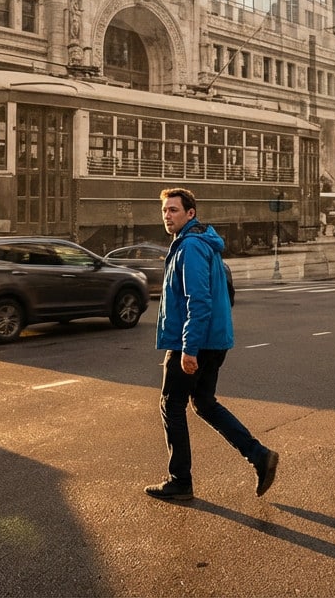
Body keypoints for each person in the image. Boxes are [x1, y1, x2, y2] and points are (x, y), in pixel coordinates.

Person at [144, 187, 279, 501]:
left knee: (171, 405)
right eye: (164, 210)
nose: (167, 215)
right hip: (214, 340)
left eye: (173, 210)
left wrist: (189, 349)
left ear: (191, 213)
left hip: (193, 340)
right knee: (204, 402)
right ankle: (259, 456)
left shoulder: (190, 246)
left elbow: (199, 301)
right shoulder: (204, 243)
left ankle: (180, 481)